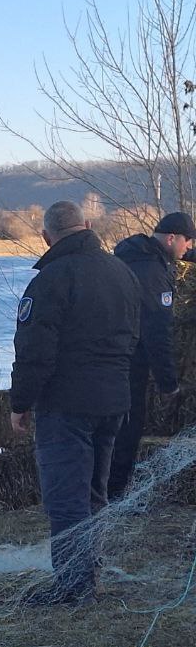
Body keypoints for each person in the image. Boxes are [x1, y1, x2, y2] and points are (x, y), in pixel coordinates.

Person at [9, 201, 140, 605]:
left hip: (66, 404)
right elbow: (137, 336)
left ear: (47, 237)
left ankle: (71, 587)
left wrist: (20, 402)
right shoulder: (122, 271)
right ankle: (89, 574)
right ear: (86, 226)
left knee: (66, 498)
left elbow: (34, 349)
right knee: (94, 493)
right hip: (114, 399)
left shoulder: (51, 278)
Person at [107, 211, 194, 499]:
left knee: (108, 429)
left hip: (106, 358)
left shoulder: (130, 255)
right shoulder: (154, 274)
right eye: (188, 242)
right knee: (128, 431)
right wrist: (168, 383)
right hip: (130, 362)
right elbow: (157, 332)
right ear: (172, 238)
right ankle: (114, 497)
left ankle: (100, 492)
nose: (189, 249)